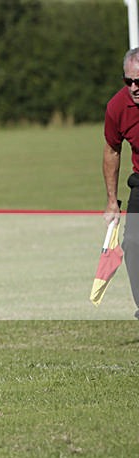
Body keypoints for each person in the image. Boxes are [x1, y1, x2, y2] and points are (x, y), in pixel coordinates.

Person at [103, 47, 139, 316]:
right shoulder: (117, 106)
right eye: (128, 81)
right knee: (133, 242)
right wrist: (112, 201)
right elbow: (112, 151)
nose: (134, 87)